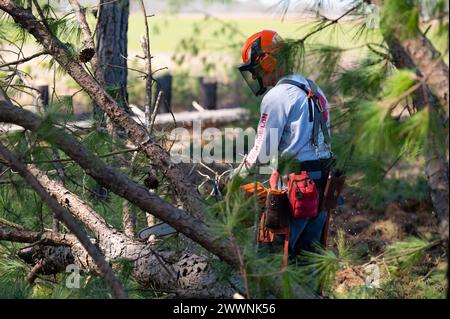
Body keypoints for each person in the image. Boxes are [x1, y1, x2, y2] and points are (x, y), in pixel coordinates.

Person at [233, 29, 333, 260]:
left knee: (273, 258)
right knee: (309, 259)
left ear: (268, 60)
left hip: (296, 187)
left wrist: (236, 175)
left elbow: (262, 151)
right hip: (322, 183)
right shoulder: (313, 88)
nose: (256, 75)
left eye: (256, 68)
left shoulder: (278, 95)